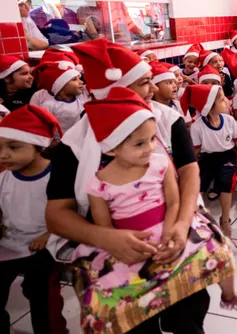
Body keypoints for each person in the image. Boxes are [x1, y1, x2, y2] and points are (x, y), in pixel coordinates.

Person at [45, 38, 212, 334]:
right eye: (144, 82)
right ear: (115, 91)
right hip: (115, 247)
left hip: (171, 231)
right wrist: (107, 239)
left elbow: (189, 173)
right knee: (135, 322)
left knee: (187, 313)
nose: (152, 89)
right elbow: (57, 214)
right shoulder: (73, 145)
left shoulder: (166, 120)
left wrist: (181, 223)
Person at [73, 88, 237, 331]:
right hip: (130, 243)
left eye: (152, 139)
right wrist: (124, 245)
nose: (150, 148)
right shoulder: (98, 184)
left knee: (220, 250)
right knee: (101, 298)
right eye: (140, 143)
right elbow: (105, 228)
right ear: (111, 148)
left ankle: (230, 295)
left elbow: (173, 202)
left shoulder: (160, 164)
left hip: (168, 228)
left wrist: (173, 228)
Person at [0, 105, 67, 334]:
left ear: (39, 145)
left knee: (42, 294)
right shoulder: (3, 178)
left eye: (14, 146)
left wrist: (49, 234)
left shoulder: (57, 177)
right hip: (9, 243)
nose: (3, 155)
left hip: (47, 244)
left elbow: (69, 214)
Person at [184, 85, 237, 236]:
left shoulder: (229, 121)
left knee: (225, 182)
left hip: (227, 155)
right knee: (199, 184)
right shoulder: (197, 127)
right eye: (222, 99)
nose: (226, 101)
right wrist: (191, 167)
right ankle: (195, 219)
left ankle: (225, 218)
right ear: (209, 106)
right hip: (207, 157)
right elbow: (196, 150)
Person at [32, 61, 89, 133]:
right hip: (62, 142)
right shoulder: (49, 106)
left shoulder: (81, 97)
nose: (81, 82)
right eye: (74, 79)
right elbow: (42, 127)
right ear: (61, 86)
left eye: (79, 78)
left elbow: (98, 82)